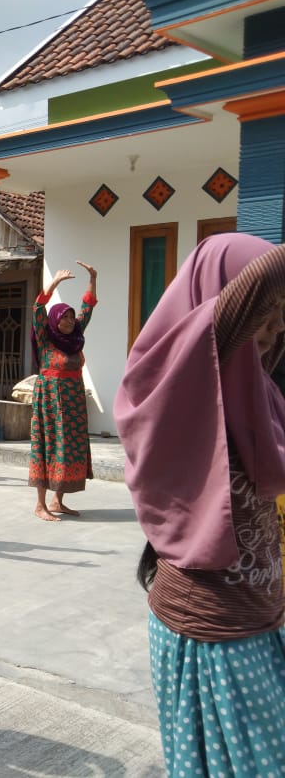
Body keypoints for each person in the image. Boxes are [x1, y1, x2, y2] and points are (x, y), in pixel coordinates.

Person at [114, 233, 285, 775]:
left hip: (261, 615)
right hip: (216, 632)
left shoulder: (259, 392)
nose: (278, 326)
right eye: (268, 311)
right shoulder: (171, 383)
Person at [28, 262, 98, 522]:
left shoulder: (76, 337)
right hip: (49, 400)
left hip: (74, 403)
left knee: (67, 448)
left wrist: (93, 278)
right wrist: (54, 284)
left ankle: (58, 500)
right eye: (64, 317)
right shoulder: (46, 338)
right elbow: (37, 309)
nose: (69, 321)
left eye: (71, 317)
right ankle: (40, 505)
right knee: (47, 447)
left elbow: (88, 308)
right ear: (55, 320)